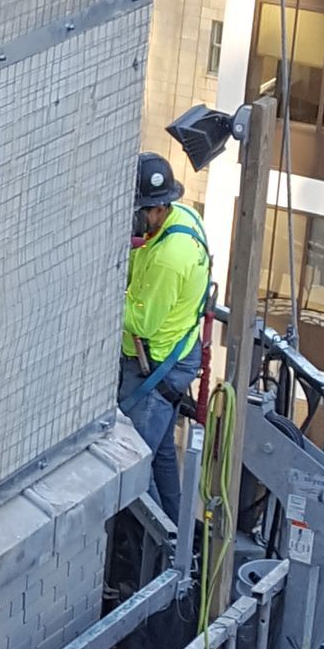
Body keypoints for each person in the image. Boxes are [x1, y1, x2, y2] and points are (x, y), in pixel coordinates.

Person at [119, 153, 211, 522]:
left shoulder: (169, 259)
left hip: (154, 367)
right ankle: (182, 541)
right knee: (159, 457)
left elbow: (142, 322)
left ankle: (160, 555)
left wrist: (102, 291)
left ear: (154, 209)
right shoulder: (184, 217)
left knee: (134, 467)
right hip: (175, 358)